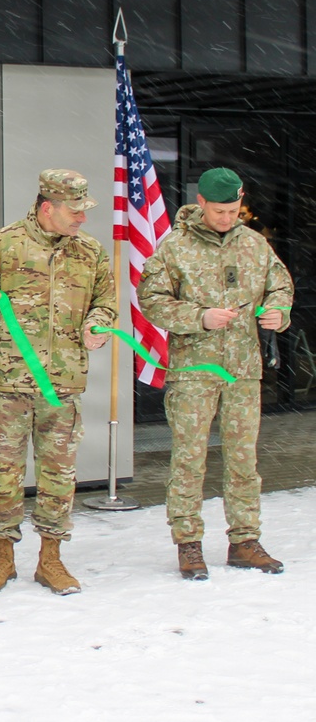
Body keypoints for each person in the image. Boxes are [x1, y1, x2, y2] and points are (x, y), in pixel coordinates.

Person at [0, 169, 116, 596]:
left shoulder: (91, 252)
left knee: (59, 475)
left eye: (83, 210)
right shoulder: (1, 245)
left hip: (62, 387)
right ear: (48, 207)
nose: (81, 218)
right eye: (74, 211)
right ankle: (2, 556)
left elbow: (106, 302)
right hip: (9, 385)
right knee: (4, 473)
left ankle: (51, 559)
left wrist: (98, 324)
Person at [137, 167, 293, 580]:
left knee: (244, 459)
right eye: (220, 211)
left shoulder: (254, 244)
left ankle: (244, 540)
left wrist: (280, 312)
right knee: (189, 460)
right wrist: (199, 317)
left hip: (242, 369)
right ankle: (188, 543)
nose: (228, 218)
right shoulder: (176, 248)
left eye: (234, 210)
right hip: (193, 370)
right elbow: (150, 300)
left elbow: (280, 285)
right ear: (201, 202)